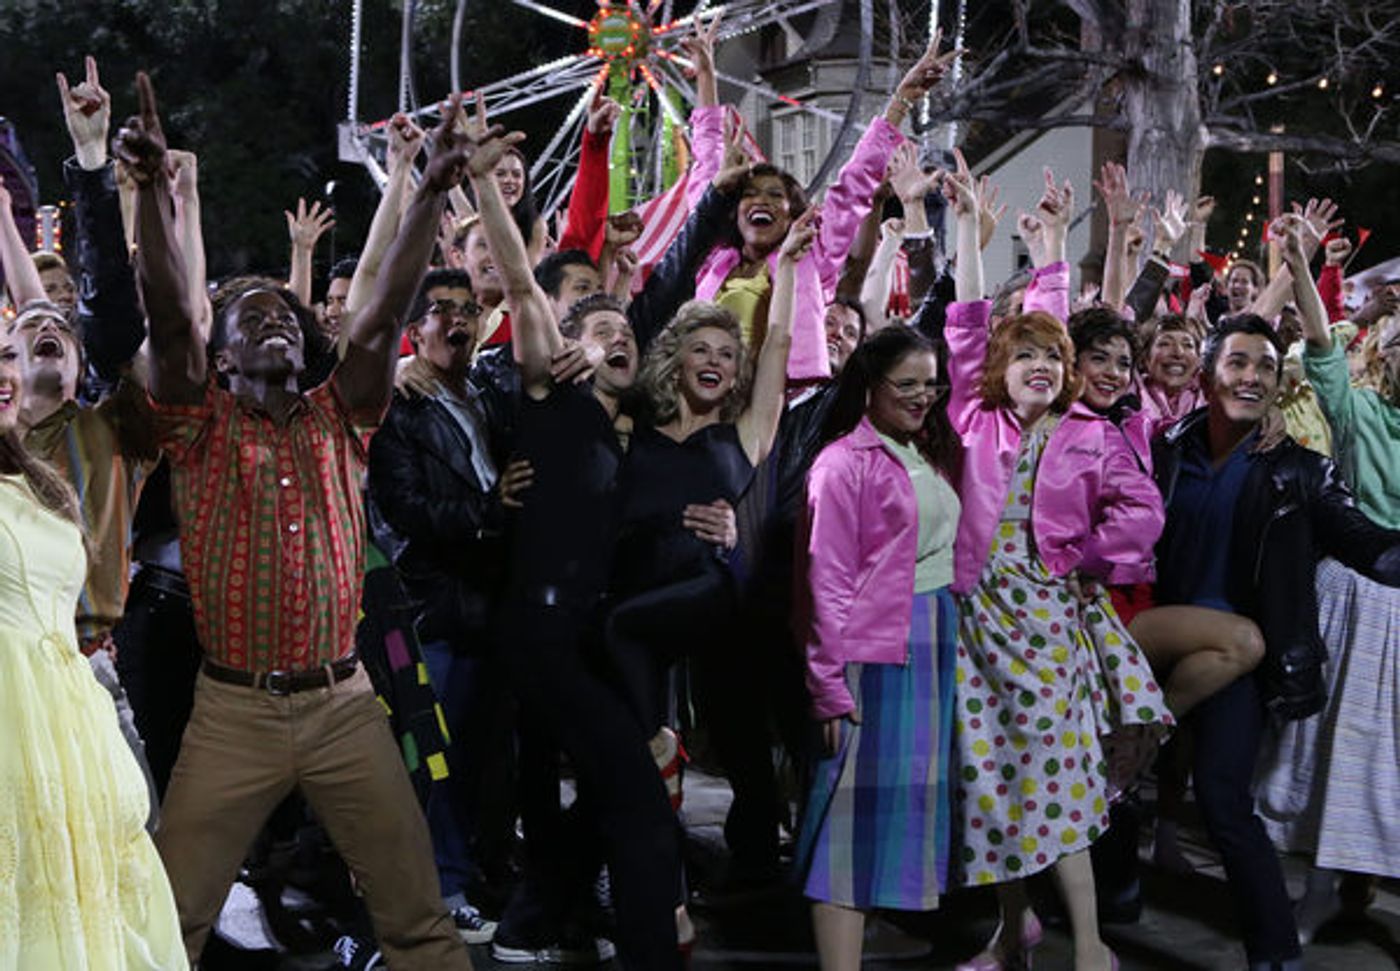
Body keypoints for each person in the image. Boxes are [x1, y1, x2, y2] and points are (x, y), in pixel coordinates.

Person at [120, 72, 476, 969]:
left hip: (344, 704)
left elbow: (383, 316)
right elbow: (167, 313)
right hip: (232, 710)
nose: (274, 320)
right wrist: (155, 194)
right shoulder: (196, 424)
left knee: (418, 920)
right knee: (169, 921)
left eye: (283, 311)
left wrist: (431, 193)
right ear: (222, 358)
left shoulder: (340, 414)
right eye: (250, 317)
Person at [465, 106, 687, 969]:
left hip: (602, 642)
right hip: (544, 634)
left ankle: (532, 924)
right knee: (640, 803)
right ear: (567, 346)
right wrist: (484, 184)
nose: (621, 337)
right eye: (602, 331)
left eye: (627, 332)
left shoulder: (643, 434)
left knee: (614, 799)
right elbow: (524, 288)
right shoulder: (552, 402)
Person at [943, 158, 1171, 971]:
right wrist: (968, 232)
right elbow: (966, 325)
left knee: (1054, 783)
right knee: (991, 783)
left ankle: (1091, 947)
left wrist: (1088, 561)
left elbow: (1144, 513)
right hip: (975, 624)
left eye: (1051, 356)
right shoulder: (974, 418)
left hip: (1048, 622)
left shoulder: (1091, 433)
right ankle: (1013, 933)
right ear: (998, 372)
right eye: (1024, 357)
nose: (1039, 365)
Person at [1151, 308, 1400, 971]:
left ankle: (1275, 951)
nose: (1252, 377)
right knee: (1117, 781)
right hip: (1152, 642)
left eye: (1266, 366)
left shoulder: (1301, 471)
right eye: (1237, 362)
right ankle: (1114, 893)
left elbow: (1370, 546)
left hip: (1240, 661)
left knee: (1223, 799)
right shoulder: (1163, 448)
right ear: (1207, 375)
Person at [0, 322, 186, 969]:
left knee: (111, 873)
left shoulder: (46, 476)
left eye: (8, 357)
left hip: (76, 700)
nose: (6, 369)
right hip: (11, 717)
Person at [794, 325, 962, 971]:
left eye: (932, 384)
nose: (922, 396)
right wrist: (829, 688)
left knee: (887, 822)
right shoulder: (842, 463)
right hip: (876, 654)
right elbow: (825, 583)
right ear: (870, 385)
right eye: (907, 384)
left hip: (928, 644)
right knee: (847, 824)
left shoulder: (922, 450)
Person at [1254, 214, 1400, 943]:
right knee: (1335, 747)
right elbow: (1317, 343)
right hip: (1356, 595)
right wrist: (1303, 269)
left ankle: (1366, 892)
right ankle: (1318, 894)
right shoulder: (1356, 408)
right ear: (1383, 353)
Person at [680, 16, 955, 381]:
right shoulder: (714, 259)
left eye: (775, 195)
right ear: (734, 212)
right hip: (714, 396)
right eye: (750, 194)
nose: (761, 201)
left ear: (792, 215)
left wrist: (901, 101)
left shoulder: (810, 260)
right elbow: (707, 174)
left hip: (784, 400)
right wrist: (706, 77)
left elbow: (852, 185)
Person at [367, 266, 507, 944]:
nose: (458, 319)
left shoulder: (487, 394)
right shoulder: (401, 406)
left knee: (483, 755)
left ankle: (475, 869)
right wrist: (490, 513)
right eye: (441, 309)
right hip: (430, 609)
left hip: (490, 606)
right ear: (415, 330)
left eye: (468, 309)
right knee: (432, 756)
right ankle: (441, 886)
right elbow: (407, 511)